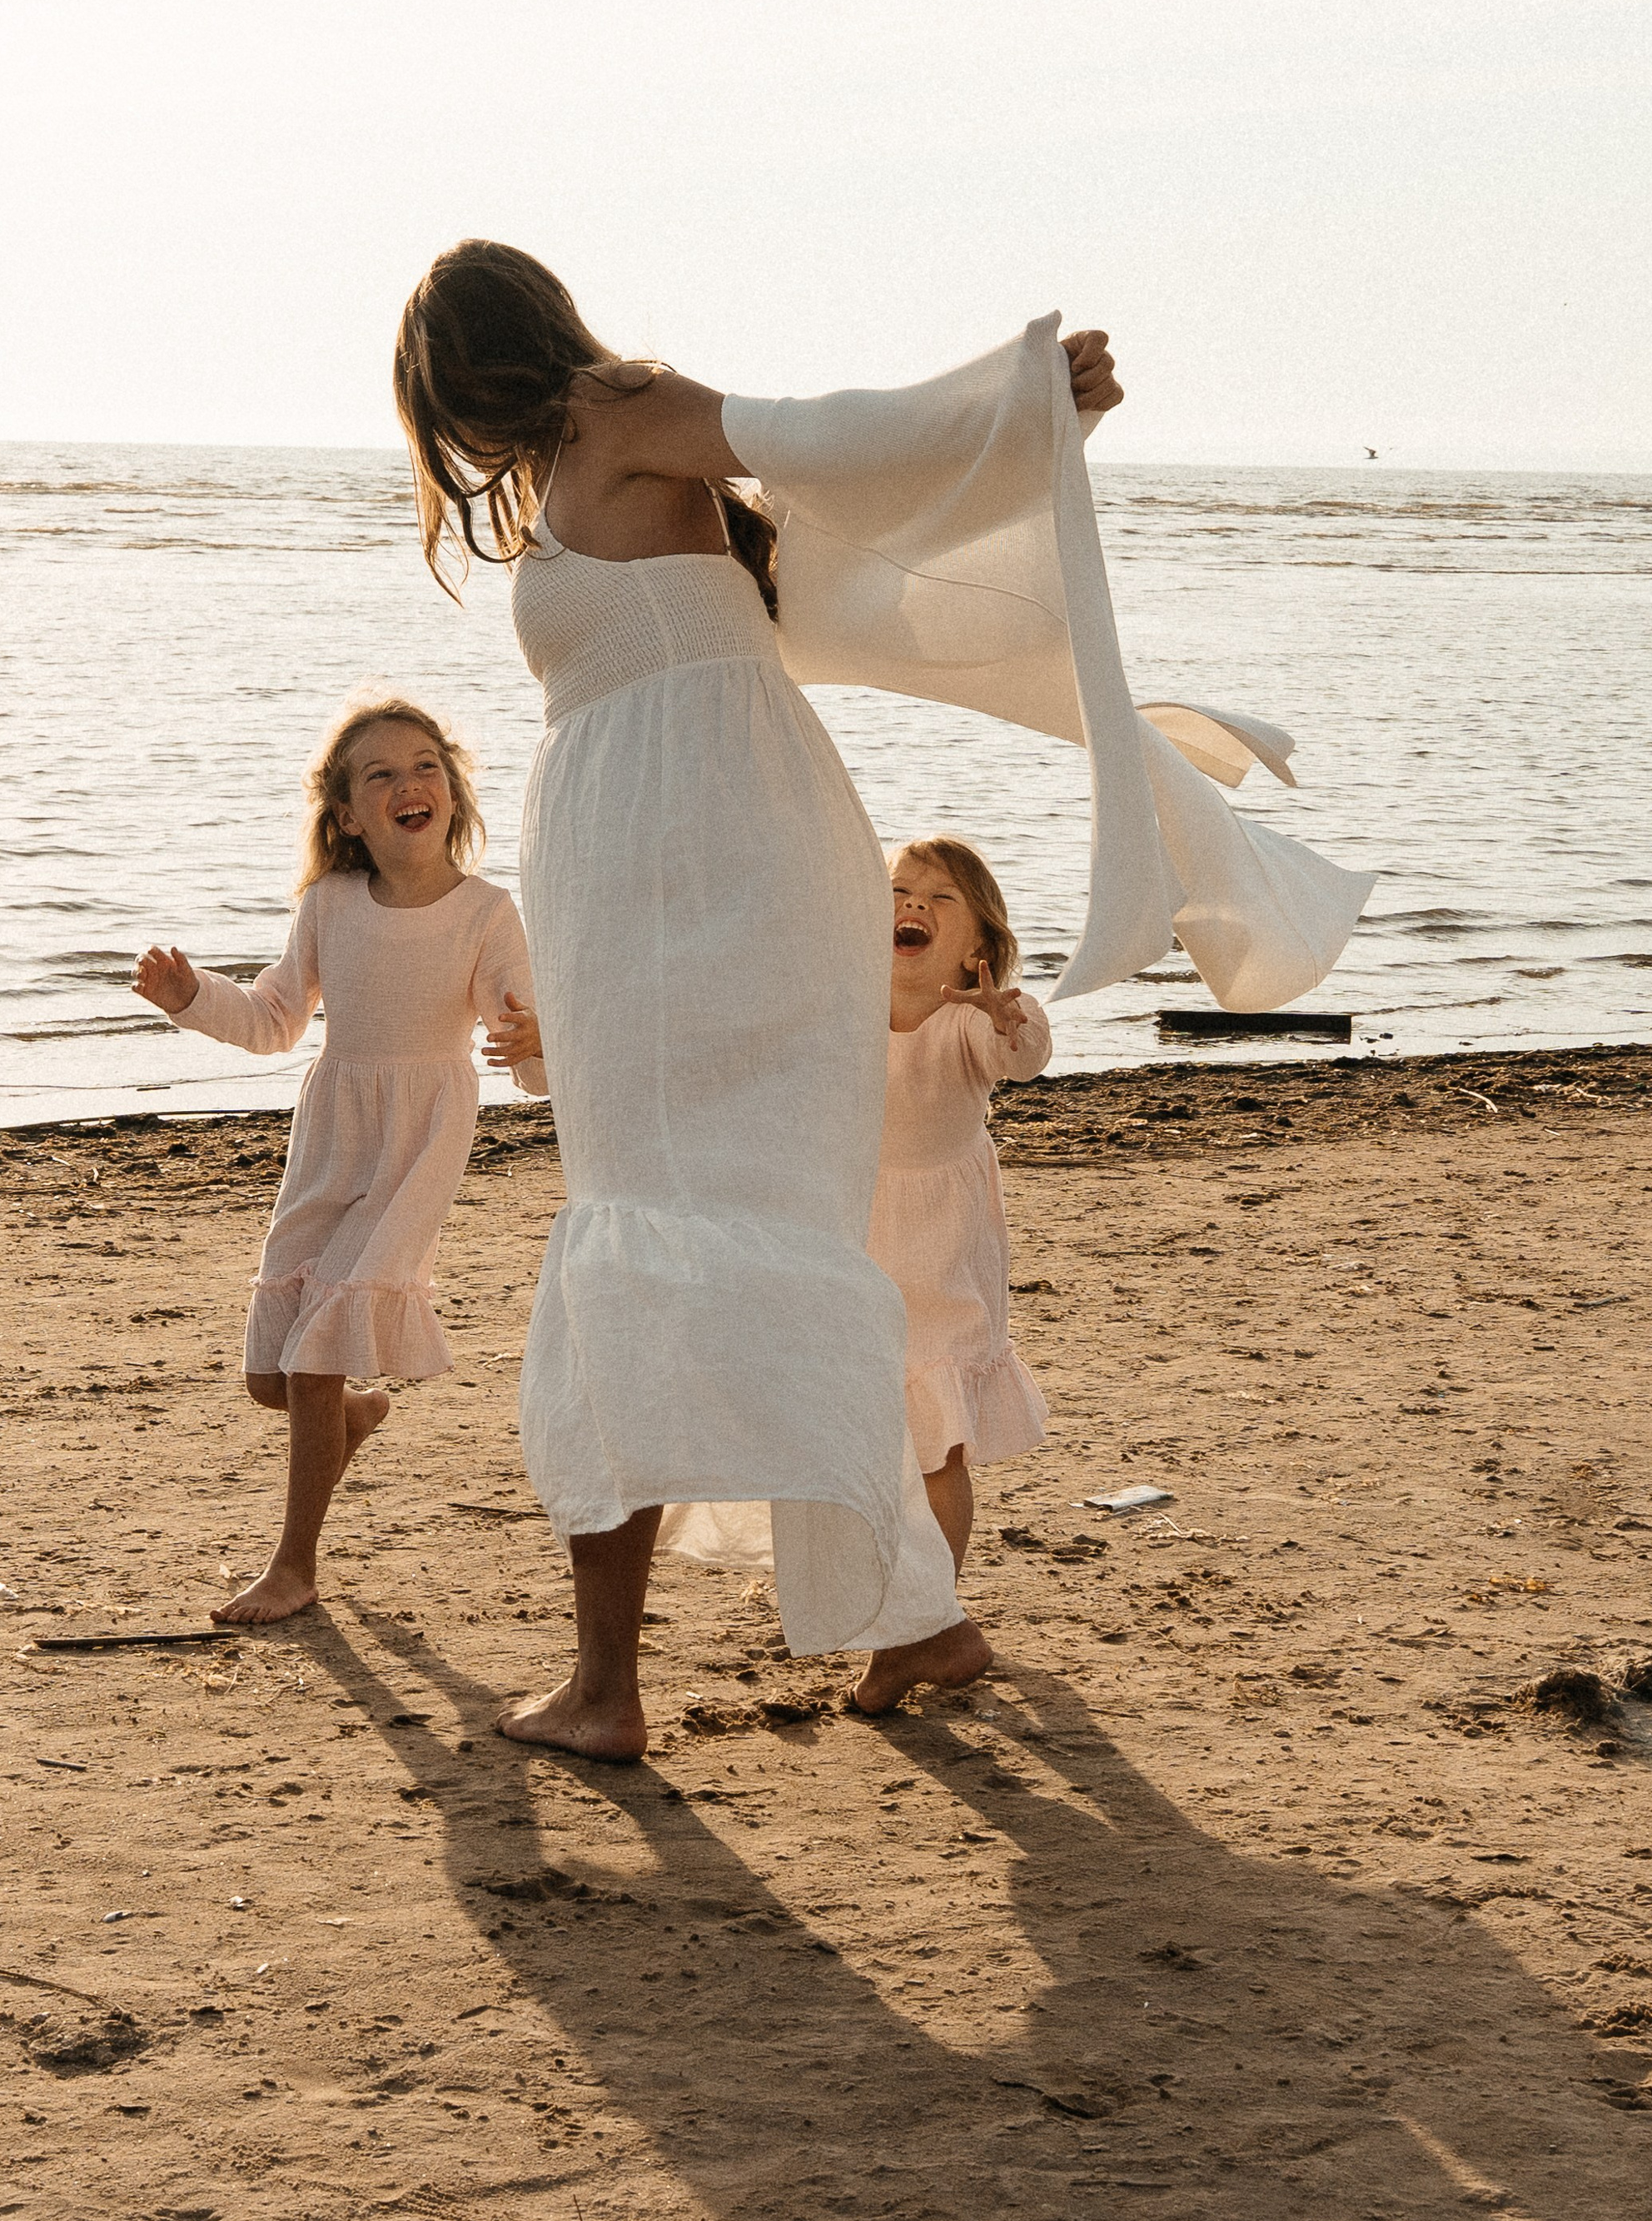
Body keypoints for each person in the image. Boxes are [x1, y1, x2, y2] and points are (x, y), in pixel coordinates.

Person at [394, 242, 1125, 1757]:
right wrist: (1009, 437)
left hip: (704, 880)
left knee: (650, 1245)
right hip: (680, 871)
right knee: (708, 1238)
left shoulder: (622, 410)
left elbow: (819, 435)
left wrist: (1015, 410)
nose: (456, 442)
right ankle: (917, 1617)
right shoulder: (592, 463)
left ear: (473, 371)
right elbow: (826, 556)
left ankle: (611, 1688)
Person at [132, 695, 545, 1625]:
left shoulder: (486, 910)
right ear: (348, 814)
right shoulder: (329, 904)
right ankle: (349, 1419)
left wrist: (534, 1041)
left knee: (314, 1356)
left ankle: (293, 1568)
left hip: (420, 1138)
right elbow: (277, 1019)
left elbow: (520, 1025)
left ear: (453, 790)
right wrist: (192, 997)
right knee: (271, 1378)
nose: (410, 784)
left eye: (426, 765)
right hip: (333, 1134)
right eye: (381, 774)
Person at [858, 836, 1052, 1705]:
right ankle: (901, 1617)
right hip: (852, 1238)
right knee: (869, 1432)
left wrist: (1013, 1019)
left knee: (935, 1433)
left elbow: (1019, 1054)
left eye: (941, 899)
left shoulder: (970, 1022)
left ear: (976, 949)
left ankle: (927, 1626)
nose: (916, 906)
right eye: (902, 890)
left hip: (940, 1247)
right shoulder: (842, 1004)